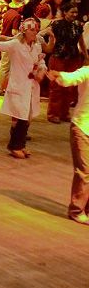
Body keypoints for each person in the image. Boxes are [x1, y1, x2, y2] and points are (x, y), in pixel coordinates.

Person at [0, 18, 47, 159]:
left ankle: (21, 145)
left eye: (36, 30)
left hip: (31, 87)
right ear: (24, 31)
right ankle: (15, 146)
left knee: (27, 117)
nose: (35, 32)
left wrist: (41, 71)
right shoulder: (16, 44)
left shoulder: (36, 46)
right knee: (20, 117)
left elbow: (41, 61)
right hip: (19, 85)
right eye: (32, 30)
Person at [47, 65, 89, 225]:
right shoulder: (87, 71)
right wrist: (59, 75)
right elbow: (71, 78)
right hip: (82, 128)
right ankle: (76, 210)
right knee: (84, 171)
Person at [44, 2, 85, 124]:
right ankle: (53, 114)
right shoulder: (56, 24)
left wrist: (86, 56)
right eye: (72, 12)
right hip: (58, 57)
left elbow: (81, 41)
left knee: (69, 86)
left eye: (76, 12)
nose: (75, 14)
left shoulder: (77, 25)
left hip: (73, 58)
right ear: (65, 12)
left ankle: (64, 113)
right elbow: (48, 37)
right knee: (56, 87)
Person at [0, 0, 27, 95]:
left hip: (4, 41)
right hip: (10, 43)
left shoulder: (7, 13)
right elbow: (14, 32)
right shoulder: (17, 16)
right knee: (6, 66)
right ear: (21, 5)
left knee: (4, 65)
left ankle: (0, 87)